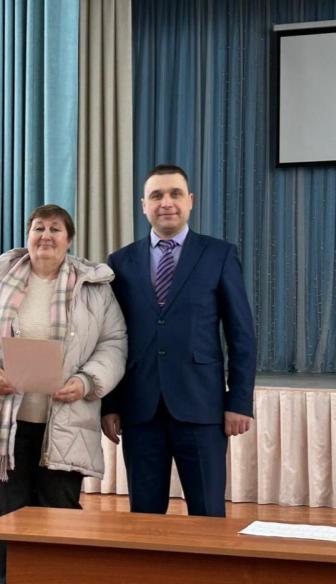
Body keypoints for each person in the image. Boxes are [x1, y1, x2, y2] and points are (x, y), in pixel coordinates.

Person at [0, 204, 127, 584]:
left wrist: (86, 381)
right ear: (28, 235)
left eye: (55, 229)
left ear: (69, 240)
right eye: (38, 228)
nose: (45, 235)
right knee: (7, 518)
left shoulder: (94, 289)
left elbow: (114, 344)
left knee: (60, 517)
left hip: (65, 425)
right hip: (6, 428)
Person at [101, 164, 256, 518]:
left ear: (190, 201)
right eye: (156, 195)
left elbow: (241, 334)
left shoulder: (219, 255)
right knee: (145, 518)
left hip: (202, 407)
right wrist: (110, 404)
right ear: (143, 205)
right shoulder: (120, 262)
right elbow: (111, 339)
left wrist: (240, 401)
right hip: (140, 410)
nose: (166, 202)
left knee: (208, 515)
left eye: (175, 194)